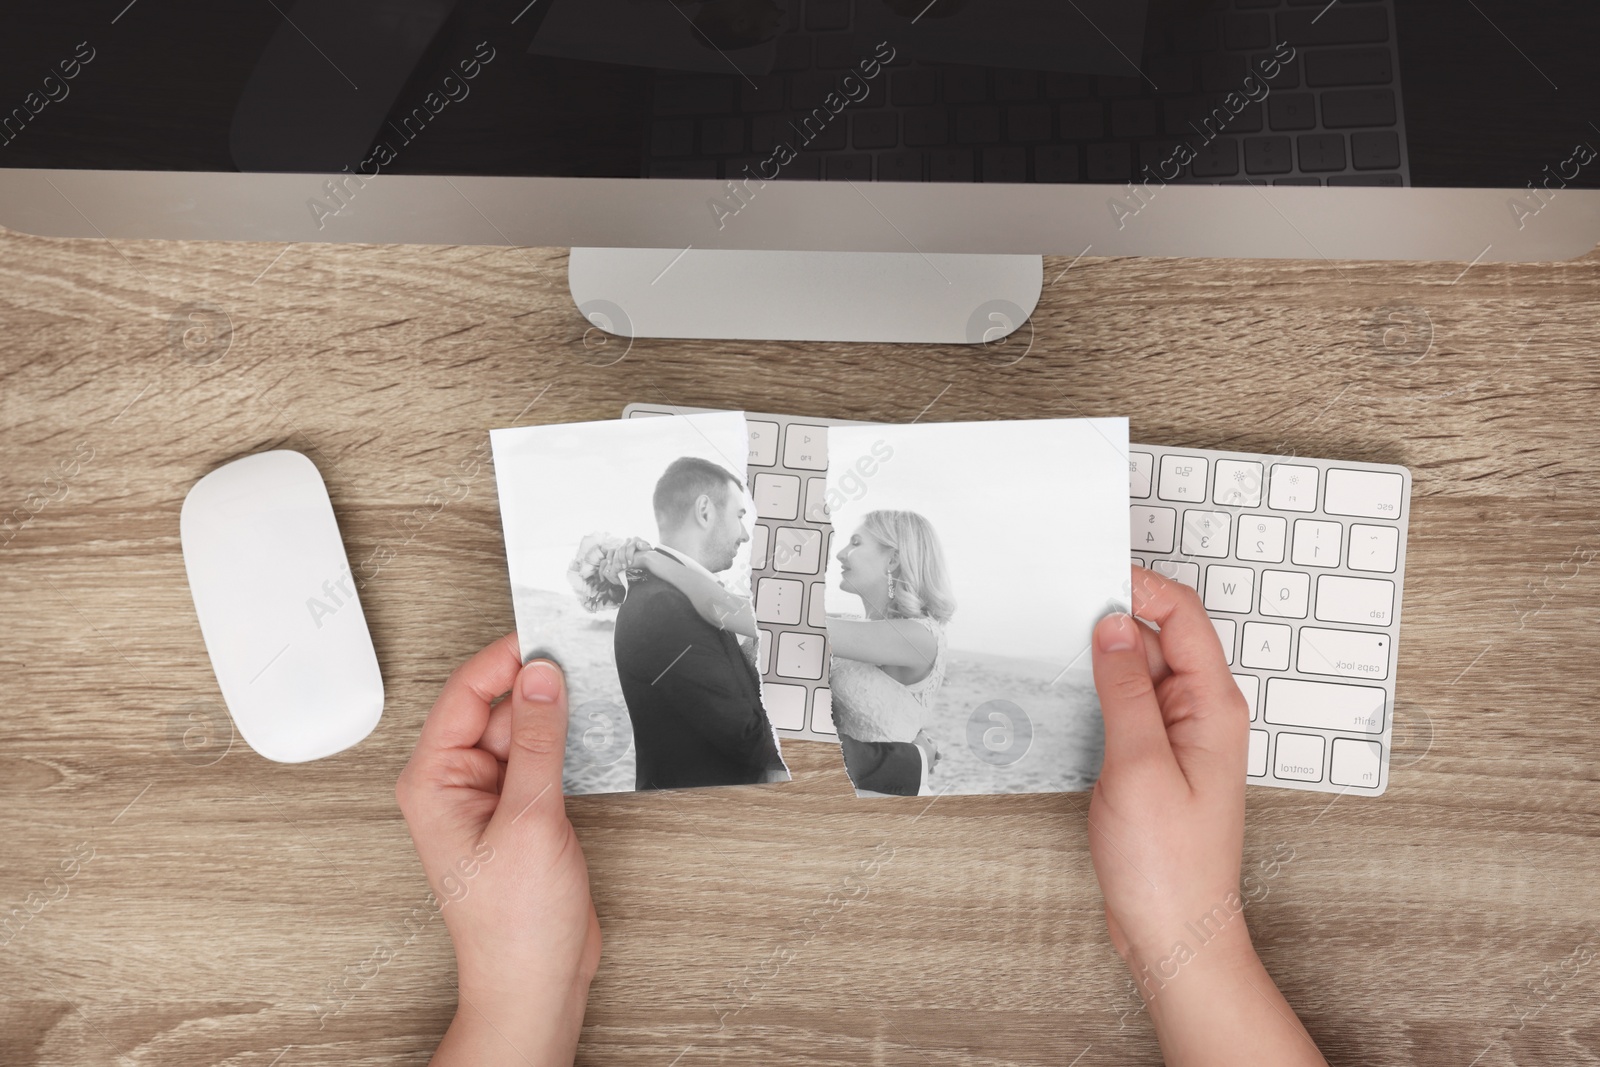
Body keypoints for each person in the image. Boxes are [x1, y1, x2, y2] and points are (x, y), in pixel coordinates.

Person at [397, 568, 1331, 1066]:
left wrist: (519, 992)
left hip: (891, 762)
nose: (842, 562)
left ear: (897, 564)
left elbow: (812, 629)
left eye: (857, 551)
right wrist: (1186, 932)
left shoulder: (913, 633)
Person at [620, 508, 947, 795]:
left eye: (857, 543)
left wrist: (653, 559)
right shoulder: (849, 625)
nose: (841, 554)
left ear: (893, 558)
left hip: (880, 792)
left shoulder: (918, 637)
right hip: (826, 785)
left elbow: (730, 611)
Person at [611, 456, 787, 789]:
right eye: (739, 516)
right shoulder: (664, 607)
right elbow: (749, 740)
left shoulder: (666, 593)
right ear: (705, 511)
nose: (745, 534)